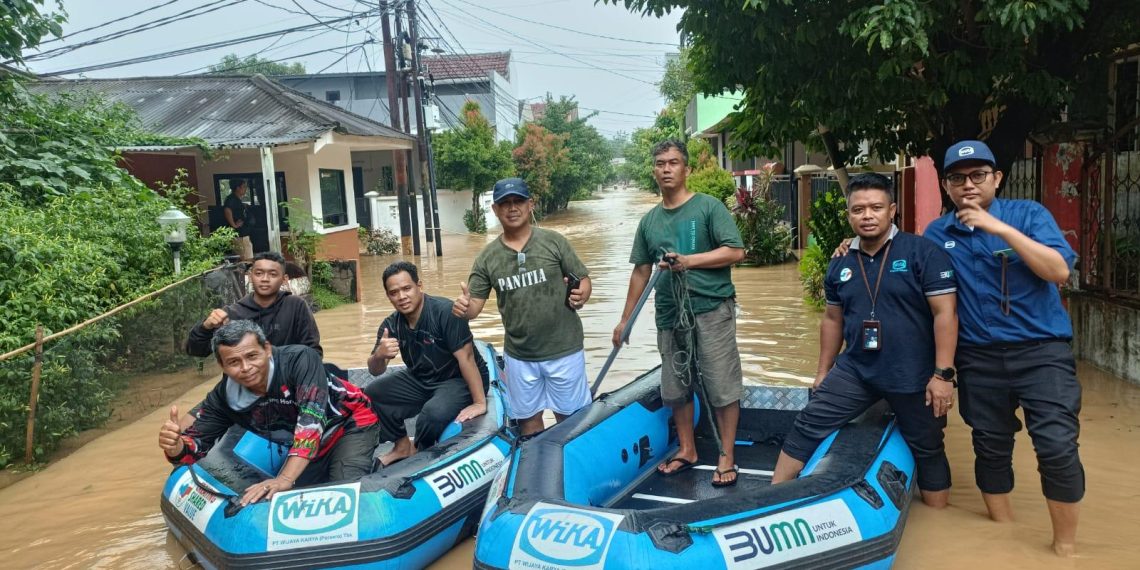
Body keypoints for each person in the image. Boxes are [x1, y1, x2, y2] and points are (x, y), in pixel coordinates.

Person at [923, 140, 1084, 555]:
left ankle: (1066, 550)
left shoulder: (1028, 215)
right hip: (978, 358)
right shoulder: (937, 234)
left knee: (1057, 446)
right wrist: (852, 249)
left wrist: (1000, 229)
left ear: (997, 178)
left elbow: (1059, 271)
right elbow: (919, 287)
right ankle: (1003, 534)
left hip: (1042, 353)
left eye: (978, 175)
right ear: (946, 185)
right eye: (957, 178)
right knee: (990, 446)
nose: (968, 185)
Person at [771, 173, 958, 508]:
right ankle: (770, 500)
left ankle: (938, 514)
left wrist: (942, 375)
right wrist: (823, 371)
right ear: (849, 215)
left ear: (892, 210)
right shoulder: (840, 261)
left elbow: (946, 314)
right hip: (856, 369)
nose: (867, 215)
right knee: (806, 425)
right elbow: (832, 319)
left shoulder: (922, 253)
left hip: (912, 372)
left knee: (928, 446)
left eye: (876, 207)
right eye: (858, 209)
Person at [613, 139, 746, 487]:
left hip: (711, 308)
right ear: (654, 171)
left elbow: (735, 251)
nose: (666, 169)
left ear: (687, 169)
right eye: (660, 164)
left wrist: (689, 261)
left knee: (721, 384)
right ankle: (687, 449)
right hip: (670, 313)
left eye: (673, 162)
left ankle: (726, 455)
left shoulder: (708, 207)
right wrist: (625, 321)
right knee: (676, 386)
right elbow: (641, 271)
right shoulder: (649, 221)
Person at [157, 320, 379, 506]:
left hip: (348, 423)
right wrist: (176, 447)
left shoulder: (301, 359)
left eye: (252, 356)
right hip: (303, 445)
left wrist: (285, 478)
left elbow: (311, 424)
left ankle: (377, 468)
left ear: (267, 349)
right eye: (233, 362)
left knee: (344, 494)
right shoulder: (223, 397)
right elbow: (195, 447)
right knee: (298, 497)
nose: (246, 368)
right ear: (222, 365)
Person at [452, 177, 592, 435]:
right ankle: (535, 461)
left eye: (518, 201)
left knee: (571, 421)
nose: (512, 208)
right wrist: (463, 308)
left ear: (531, 205)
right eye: (505, 203)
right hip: (519, 356)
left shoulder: (554, 242)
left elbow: (582, 279)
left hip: (564, 350)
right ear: (495, 209)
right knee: (529, 423)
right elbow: (474, 307)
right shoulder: (487, 258)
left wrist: (582, 293)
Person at [365, 261, 490, 466]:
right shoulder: (390, 325)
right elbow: (375, 370)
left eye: (407, 288)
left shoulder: (446, 312)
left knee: (432, 414)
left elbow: (466, 358)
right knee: (374, 392)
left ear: (419, 286)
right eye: (394, 292)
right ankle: (402, 446)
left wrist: (479, 403)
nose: (402, 296)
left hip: (458, 379)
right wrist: (379, 355)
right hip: (422, 378)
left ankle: (421, 449)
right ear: (388, 296)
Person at [183, 251, 321, 429]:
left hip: (287, 388)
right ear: (250, 276)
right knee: (183, 426)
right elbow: (196, 350)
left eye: (272, 274)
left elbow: (313, 352)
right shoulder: (232, 313)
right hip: (242, 385)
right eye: (259, 273)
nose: (265, 279)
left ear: (284, 279)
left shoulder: (296, 306)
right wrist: (206, 327)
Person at [224, 180, 253, 258]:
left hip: (243, 234)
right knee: (245, 258)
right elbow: (227, 210)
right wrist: (234, 225)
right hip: (239, 235)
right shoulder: (232, 199)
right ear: (237, 188)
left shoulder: (236, 199)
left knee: (246, 256)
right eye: (244, 187)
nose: (246, 189)